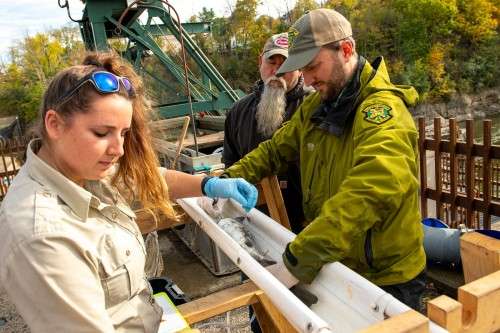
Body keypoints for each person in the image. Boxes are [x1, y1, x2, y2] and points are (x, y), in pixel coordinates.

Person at [0, 52, 257, 332]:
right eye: (101, 133)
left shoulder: (77, 170)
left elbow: (146, 178)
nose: (119, 149)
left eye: (123, 133)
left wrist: (206, 184)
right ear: (54, 124)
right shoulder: (42, 237)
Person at [224, 8, 426, 310]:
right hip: (337, 265)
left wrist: (297, 259)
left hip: (386, 280)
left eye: (313, 66)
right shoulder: (317, 105)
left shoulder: (382, 112)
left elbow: (368, 193)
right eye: (302, 69)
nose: (306, 78)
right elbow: (275, 149)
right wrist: (225, 180)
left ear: (346, 50)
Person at [224, 32, 311, 233]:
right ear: (260, 62)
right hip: (255, 223)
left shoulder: (315, 107)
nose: (278, 71)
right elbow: (231, 164)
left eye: (287, 63)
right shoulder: (238, 112)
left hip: (307, 225)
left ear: (299, 67)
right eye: (272, 62)